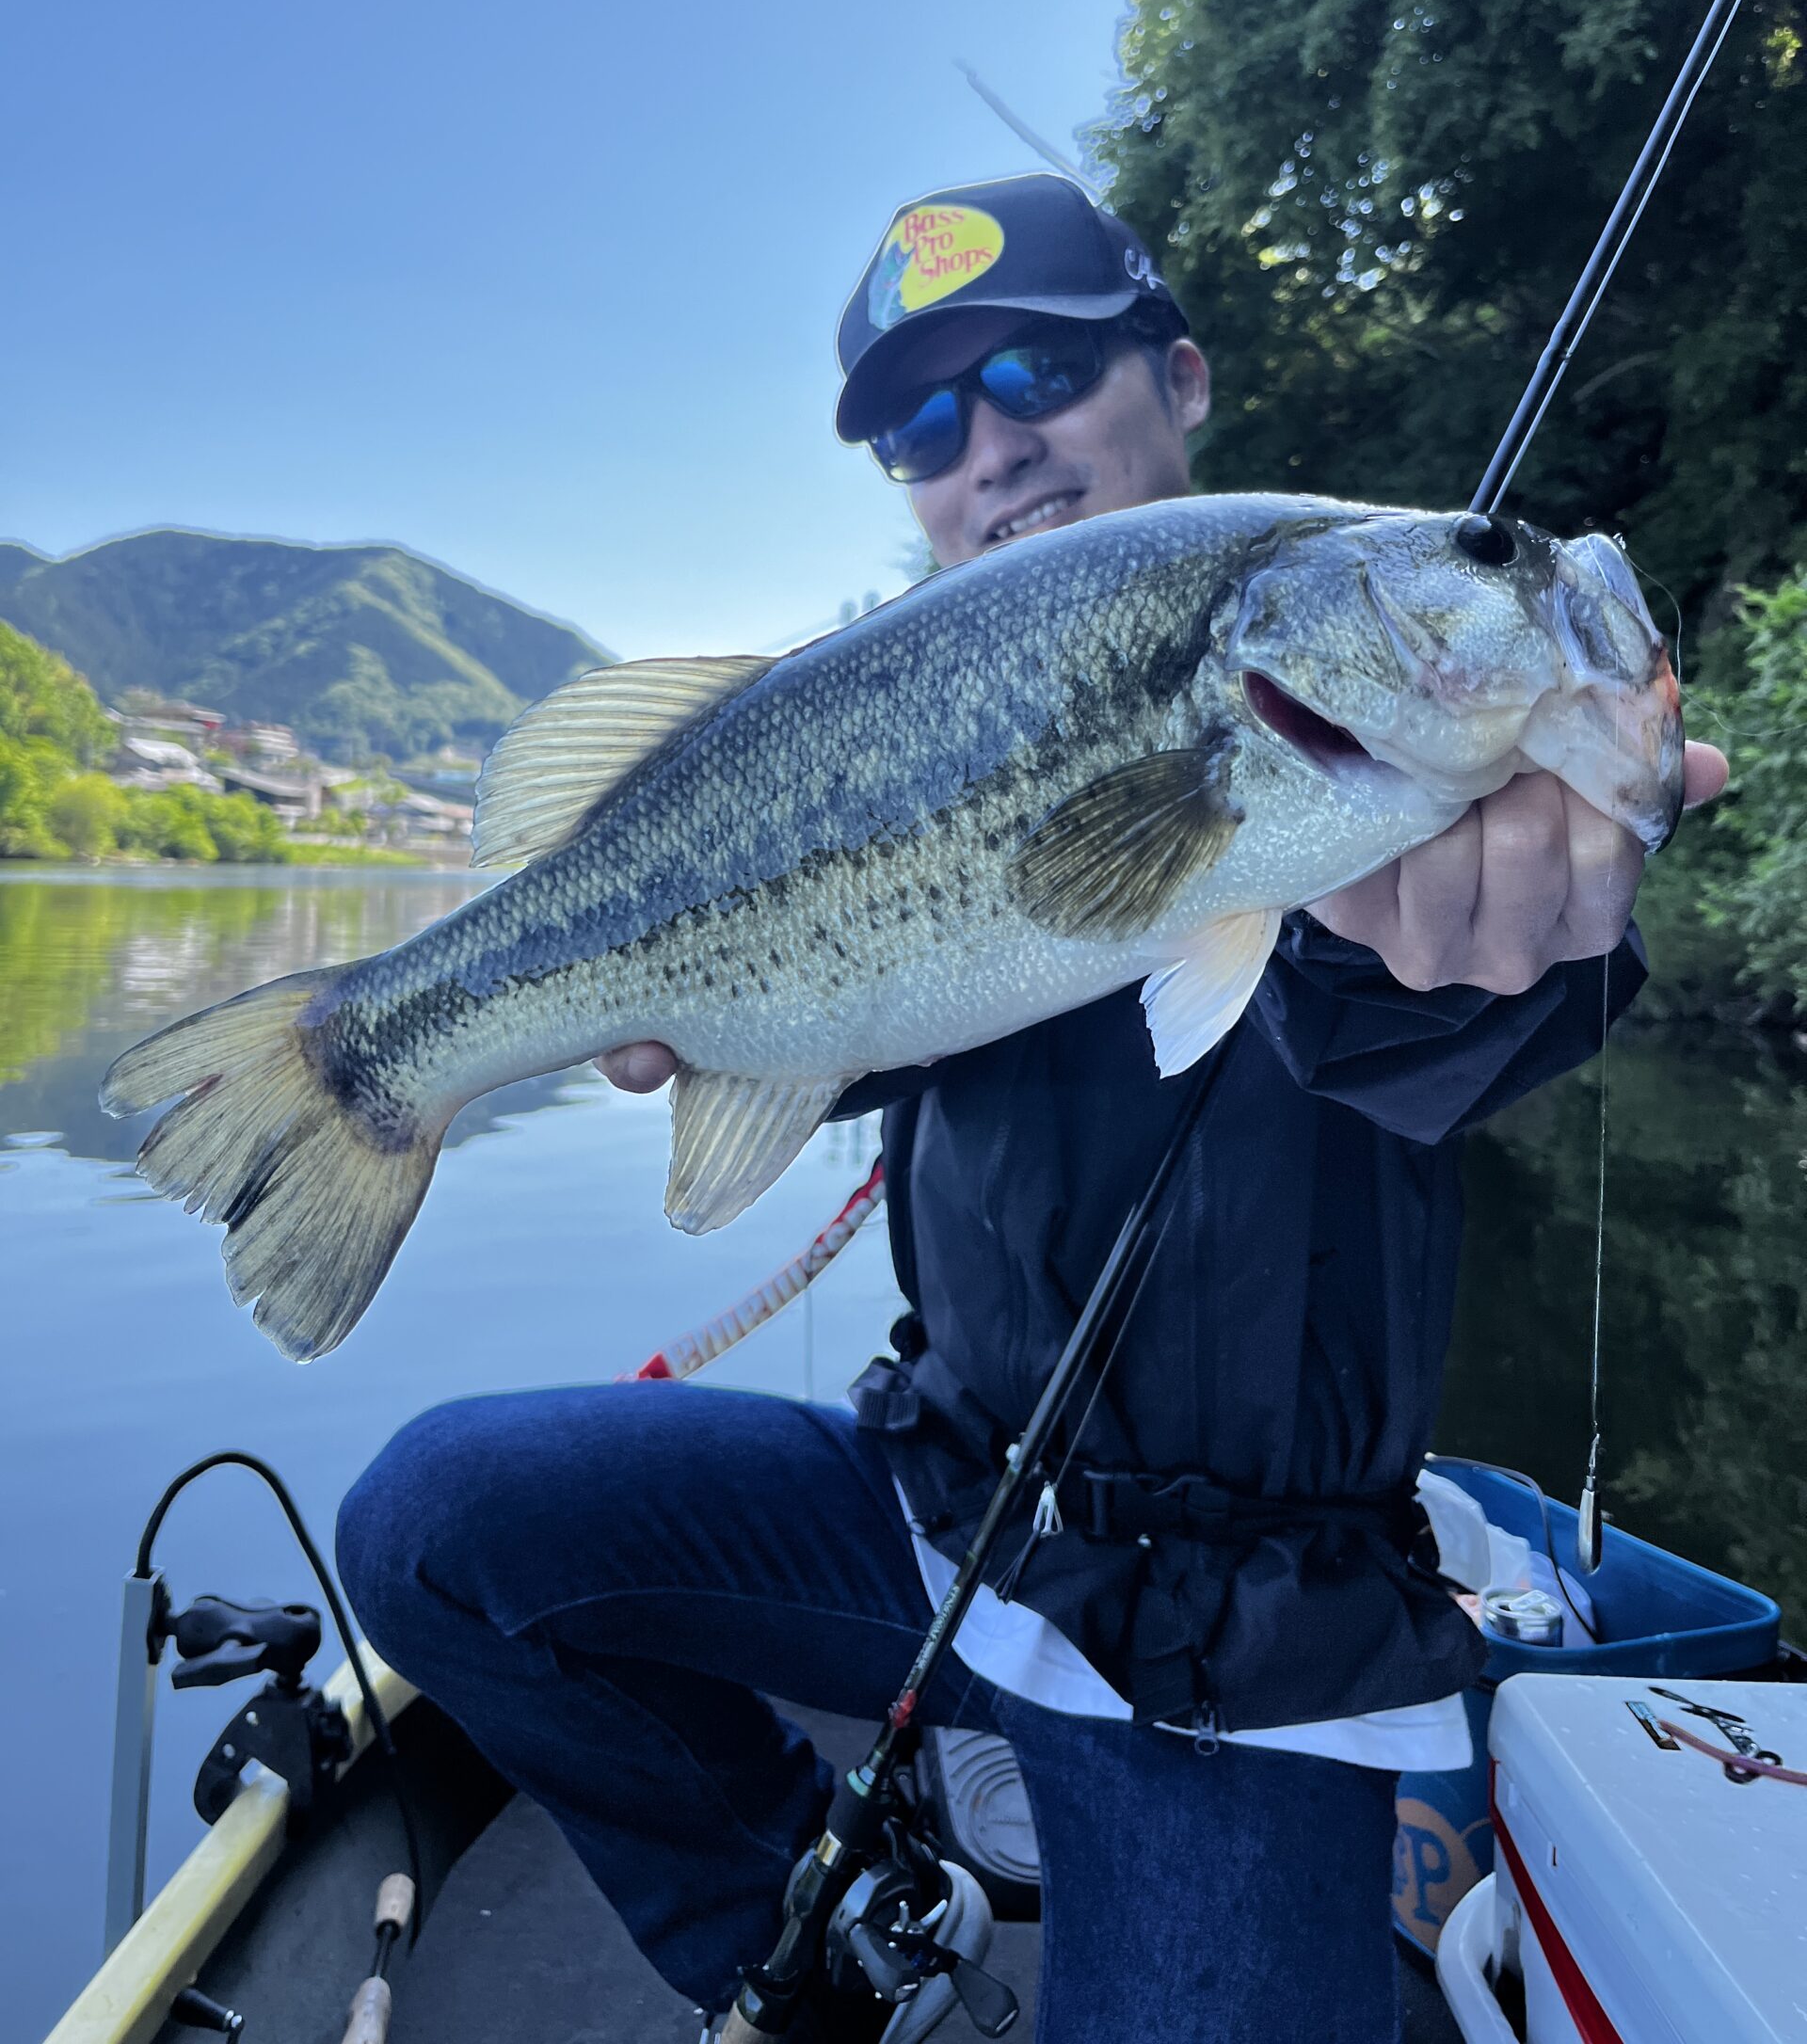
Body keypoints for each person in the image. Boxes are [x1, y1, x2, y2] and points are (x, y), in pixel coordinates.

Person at [337, 175, 1726, 2043]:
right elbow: (854, 1016)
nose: (991, 442)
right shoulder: (901, 716)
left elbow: (1438, 1013)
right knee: (433, 1523)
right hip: (937, 1511)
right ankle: (836, 1928)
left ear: (1179, 369)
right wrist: (687, 1001)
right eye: (925, 423)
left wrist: (1505, 943)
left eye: (1041, 368)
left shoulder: (1378, 770)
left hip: (1243, 1639)